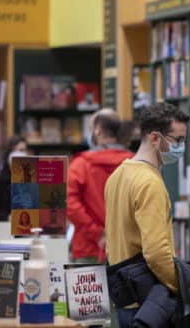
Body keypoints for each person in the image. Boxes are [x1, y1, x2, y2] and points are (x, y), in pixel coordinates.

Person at [104, 103, 190, 327]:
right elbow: (156, 252)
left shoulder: (118, 174)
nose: (182, 147)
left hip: (124, 294)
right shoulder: (150, 183)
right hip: (149, 302)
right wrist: (181, 286)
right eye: (178, 140)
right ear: (154, 138)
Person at [67, 108, 134, 263]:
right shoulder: (134, 163)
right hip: (127, 249)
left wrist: (98, 234)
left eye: (90, 129)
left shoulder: (81, 165)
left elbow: (71, 205)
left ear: (98, 131)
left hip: (88, 249)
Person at [0, 136, 28, 221]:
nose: (21, 154)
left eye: (23, 151)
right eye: (18, 150)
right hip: (5, 227)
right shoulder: (1, 179)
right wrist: (7, 217)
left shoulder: (29, 179)